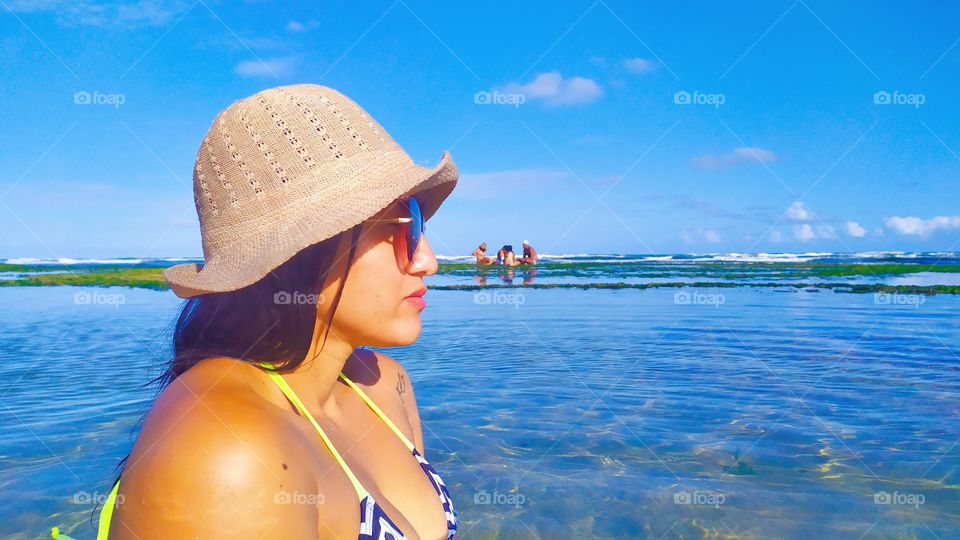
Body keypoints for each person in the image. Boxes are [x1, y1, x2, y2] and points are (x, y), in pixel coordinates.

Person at [96, 85, 459, 539]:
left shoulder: (386, 385)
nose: (428, 260)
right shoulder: (226, 447)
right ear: (296, 252)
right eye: (403, 226)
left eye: (419, 220)